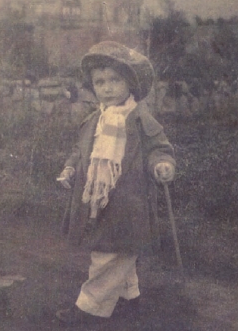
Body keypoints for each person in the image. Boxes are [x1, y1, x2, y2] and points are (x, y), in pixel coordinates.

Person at [56, 41, 176, 326]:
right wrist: (71, 167)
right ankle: (129, 300)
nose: (106, 88)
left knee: (107, 255)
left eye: (114, 80)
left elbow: (158, 147)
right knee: (120, 251)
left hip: (127, 201)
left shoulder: (138, 119)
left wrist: (162, 164)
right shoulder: (94, 120)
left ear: (130, 84)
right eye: (100, 82)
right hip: (97, 200)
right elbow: (82, 150)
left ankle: (88, 308)